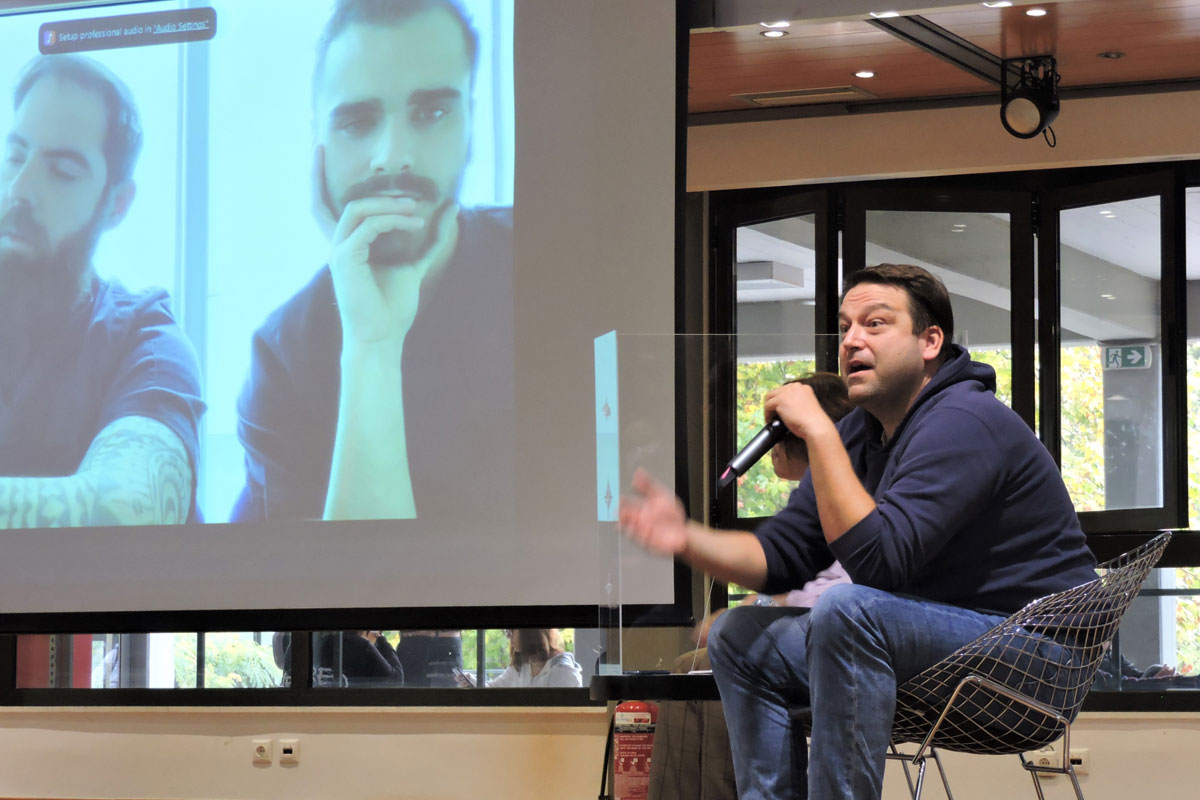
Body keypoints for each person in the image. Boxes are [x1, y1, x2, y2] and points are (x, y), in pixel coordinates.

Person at [620, 263, 1098, 800]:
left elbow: (881, 564)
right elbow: (782, 556)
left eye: (875, 324)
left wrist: (817, 430)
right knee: (738, 636)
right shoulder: (859, 432)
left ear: (930, 342)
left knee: (848, 610)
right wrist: (685, 537)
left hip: (1040, 661)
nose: (851, 340)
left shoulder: (965, 420)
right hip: (947, 648)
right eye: (845, 326)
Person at [233, 0, 513, 524]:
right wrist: (372, 345)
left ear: (470, 126)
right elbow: (353, 575)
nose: (392, 155)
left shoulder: (551, 263)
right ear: (316, 145)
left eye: (432, 113)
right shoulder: (282, 358)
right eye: (357, 122)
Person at [0, 54, 203, 528]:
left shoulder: (145, 342)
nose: (19, 189)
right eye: (14, 156)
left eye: (62, 171)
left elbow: (128, 511)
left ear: (116, 204)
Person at [649, 372, 853, 800]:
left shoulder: (848, 494)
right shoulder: (811, 500)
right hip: (813, 639)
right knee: (692, 665)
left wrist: (753, 610)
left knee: (727, 655)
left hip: (842, 649)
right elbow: (794, 571)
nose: (772, 445)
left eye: (777, 431)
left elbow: (840, 594)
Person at [485, 629, 582, 688]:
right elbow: (492, 688)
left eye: (511, 631)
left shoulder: (563, 672)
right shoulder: (521, 668)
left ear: (528, 632)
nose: (509, 637)